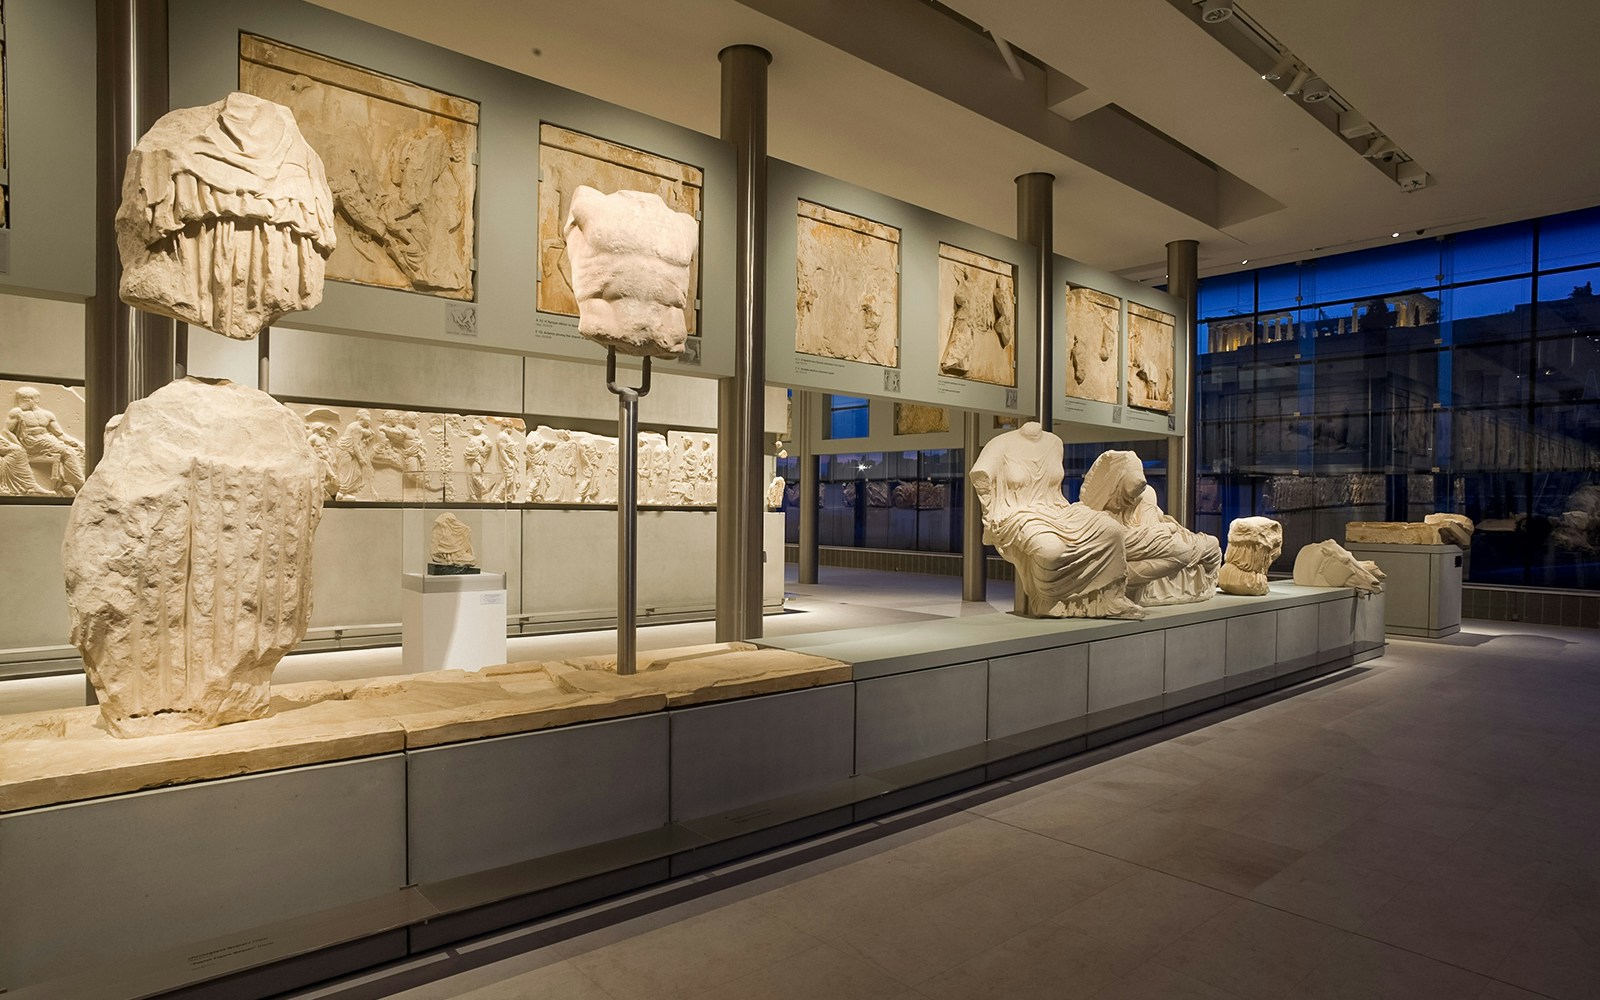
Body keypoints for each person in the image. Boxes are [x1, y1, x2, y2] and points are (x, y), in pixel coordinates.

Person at [970, 422, 1142, 619]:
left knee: (1111, 531)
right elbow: (979, 474)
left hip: (1057, 509)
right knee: (1051, 551)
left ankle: (1109, 598)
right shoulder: (1000, 444)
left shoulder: (1054, 443)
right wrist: (992, 512)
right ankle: (1049, 600)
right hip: (1019, 513)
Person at [6, 388, 86, 496]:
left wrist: (74, 442)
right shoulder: (17, 412)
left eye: (26, 399)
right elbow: (7, 431)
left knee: (77, 450)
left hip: (47, 439)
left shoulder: (47, 415)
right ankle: (79, 483)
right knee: (67, 452)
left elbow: (59, 434)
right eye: (20, 398)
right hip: (31, 442)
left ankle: (65, 483)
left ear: (36, 399)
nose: (22, 401)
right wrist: (19, 446)